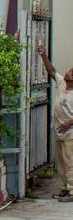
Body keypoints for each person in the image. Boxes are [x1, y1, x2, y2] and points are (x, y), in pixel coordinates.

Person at [37, 43, 73, 201]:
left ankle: (72, 191)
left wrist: (69, 123)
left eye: (71, 73)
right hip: (59, 132)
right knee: (61, 164)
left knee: (70, 163)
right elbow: (52, 71)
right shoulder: (62, 84)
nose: (67, 72)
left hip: (70, 133)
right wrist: (43, 55)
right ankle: (66, 188)